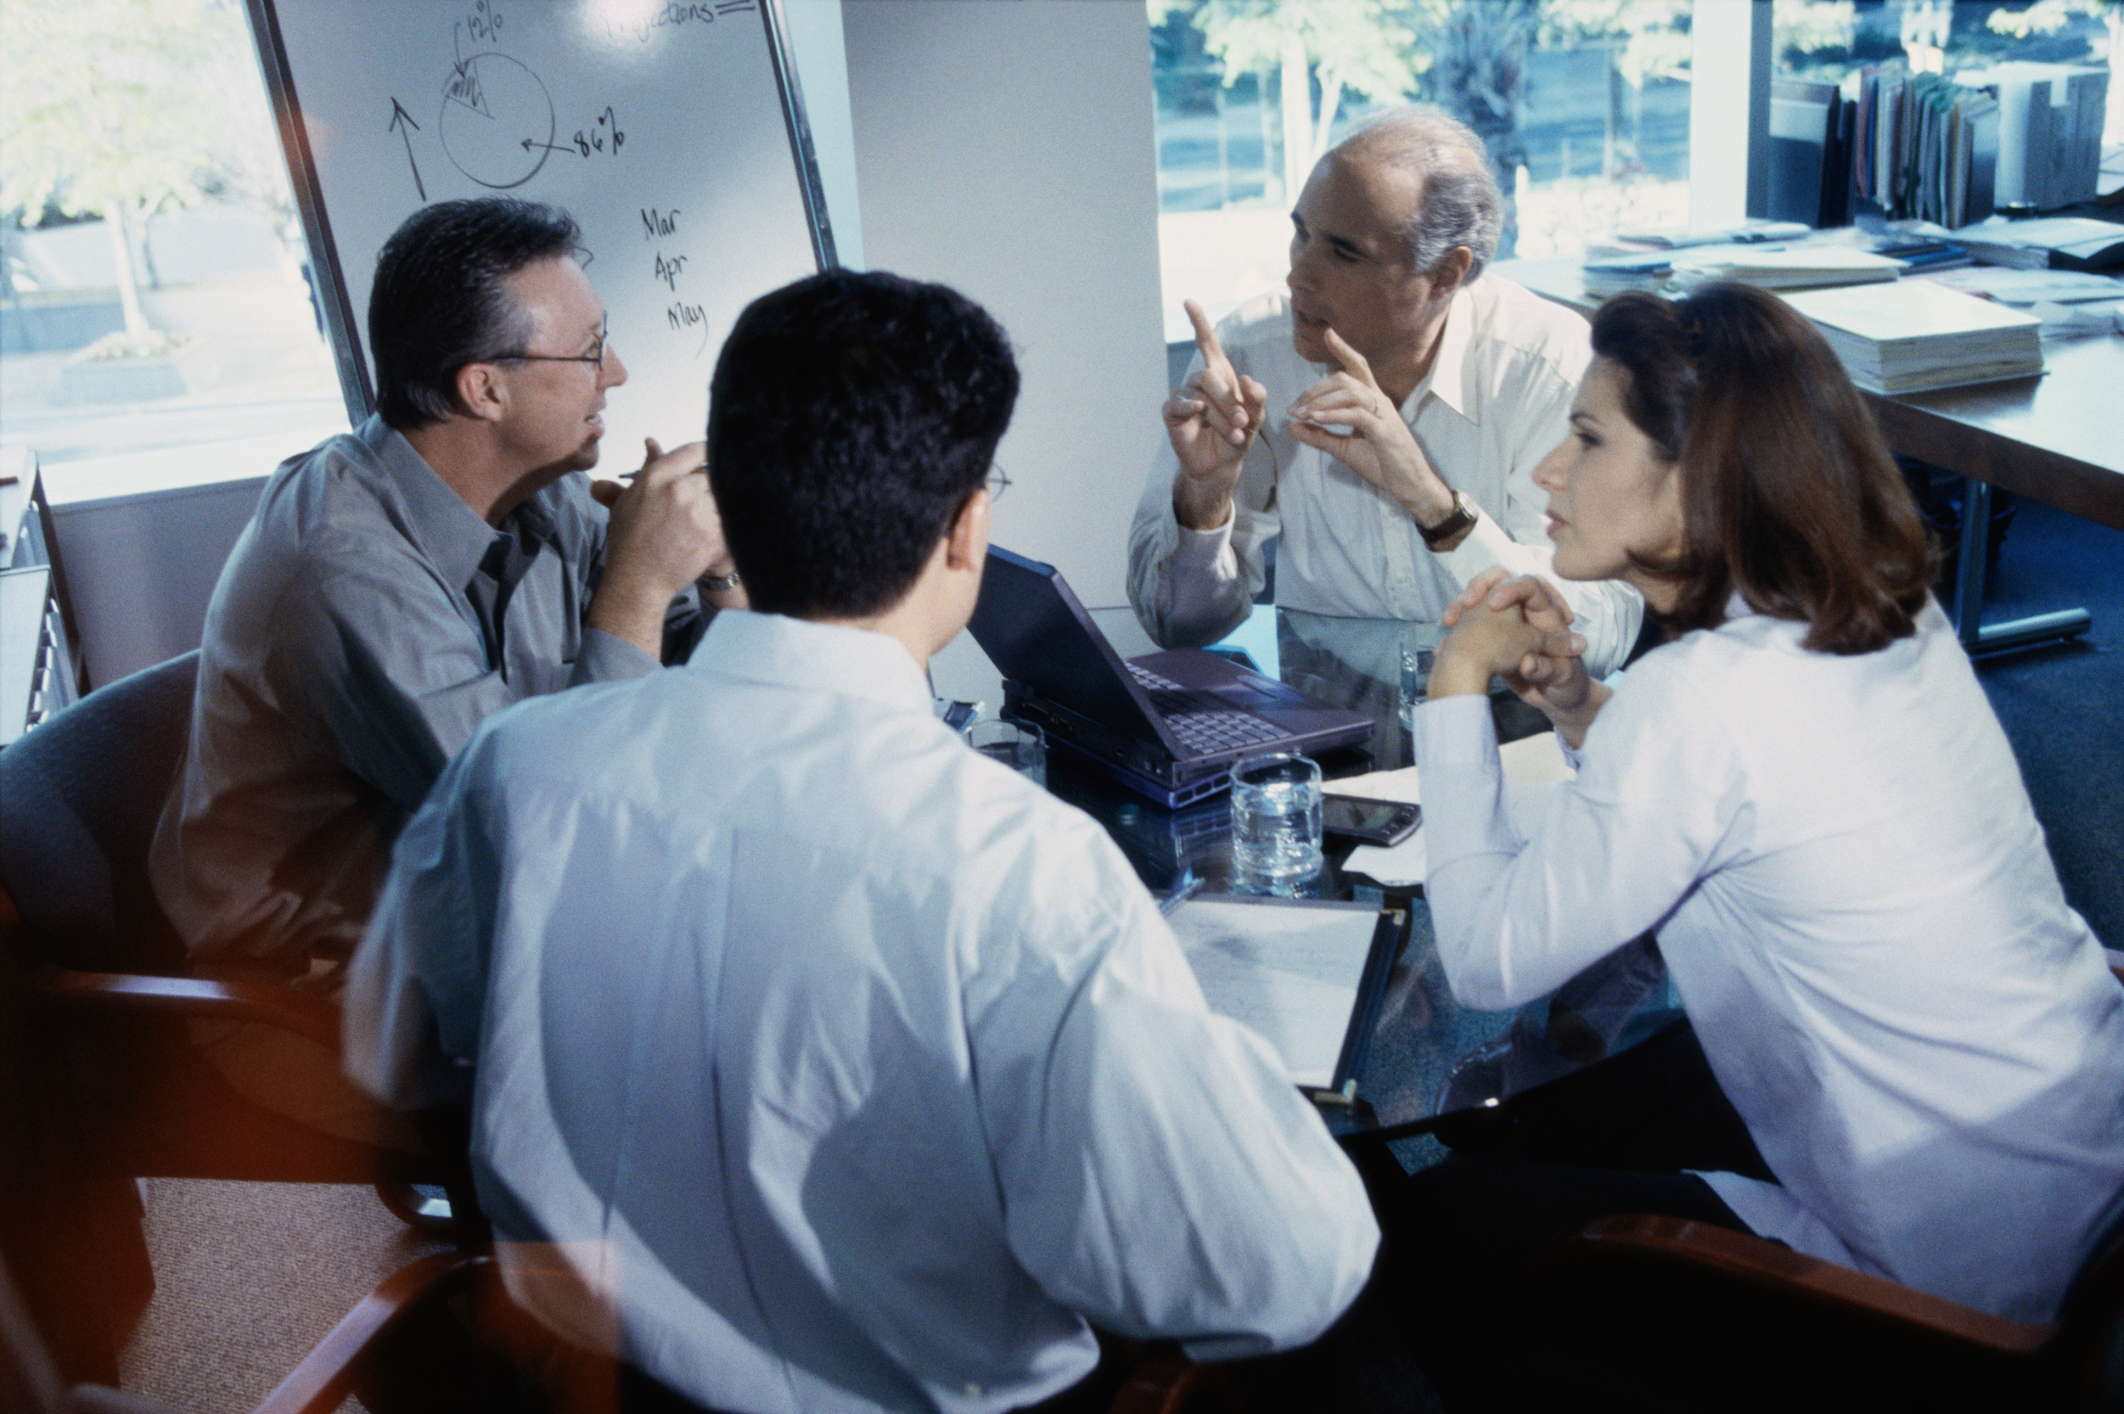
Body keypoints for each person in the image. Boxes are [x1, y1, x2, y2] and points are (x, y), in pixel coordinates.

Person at [343, 268, 1381, 1412]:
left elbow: (395, 1059)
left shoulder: (518, 770)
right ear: (968, 527)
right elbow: (1279, 1276)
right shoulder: (1018, 866)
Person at [1399, 281, 2124, 1402]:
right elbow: (1733, 796)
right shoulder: (1874, 607)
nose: (1549, 470)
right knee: (1544, 1100)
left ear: (1701, 479)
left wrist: (1456, 681)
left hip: (1955, 1295)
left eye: (1588, 439)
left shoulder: (1700, 701)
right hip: (2067, 1174)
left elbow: (1491, 958)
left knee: (1442, 1217)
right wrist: (1586, 708)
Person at [149, 197, 741, 1145]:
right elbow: (549, 840)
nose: (616, 374)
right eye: (590, 351)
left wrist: (719, 574)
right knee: (732, 1051)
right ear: (484, 390)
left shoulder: (540, 501)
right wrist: (636, 581)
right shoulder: (335, 564)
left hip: (485, 928)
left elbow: (710, 695)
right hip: (329, 1002)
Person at [1127, 104, 1642, 679]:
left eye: (1344, 252)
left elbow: (1602, 637)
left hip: (1514, 730)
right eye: (1301, 234)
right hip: (1329, 733)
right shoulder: (1249, 354)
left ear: (1446, 274)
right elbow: (1175, 628)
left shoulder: (1550, 367)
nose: (1299, 275)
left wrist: (1431, 501)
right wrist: (1205, 495)